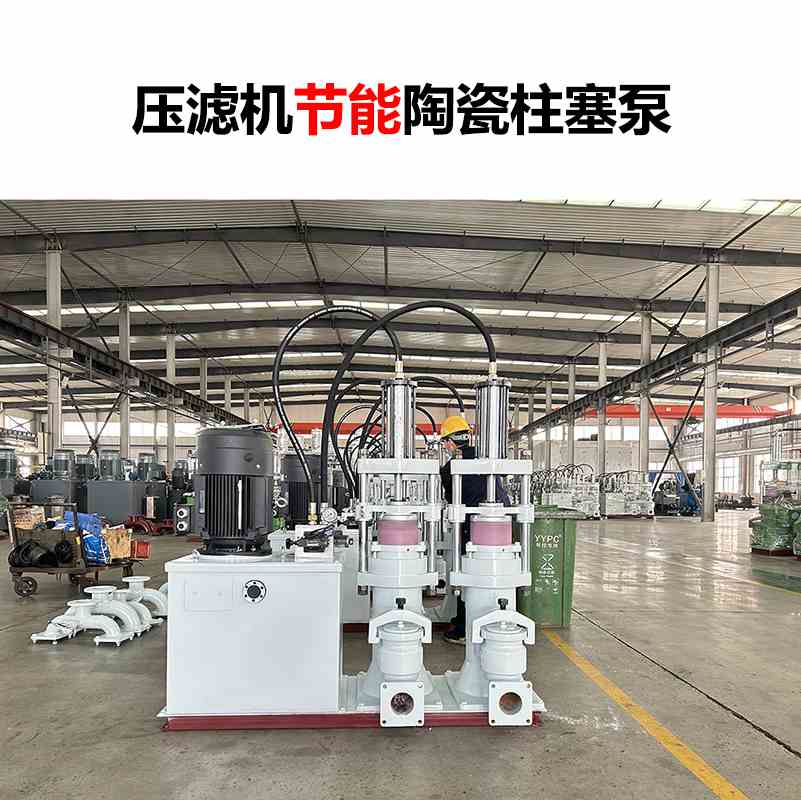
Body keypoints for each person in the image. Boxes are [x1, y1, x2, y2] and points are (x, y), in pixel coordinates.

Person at [438, 415, 509, 644]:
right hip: (502, 522)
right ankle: (497, 619)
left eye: (445, 442)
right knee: (495, 571)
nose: (445, 447)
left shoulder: (450, 468)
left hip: (472, 525)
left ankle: (463, 628)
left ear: (450, 442)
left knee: (467, 572)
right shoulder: (486, 457)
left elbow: (452, 500)